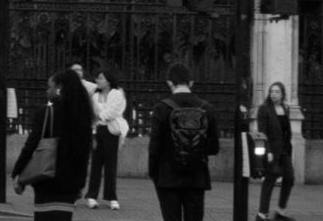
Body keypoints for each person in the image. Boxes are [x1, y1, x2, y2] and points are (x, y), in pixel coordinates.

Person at [13, 64, 94, 215]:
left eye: (49, 87)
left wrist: (18, 173)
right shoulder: (82, 117)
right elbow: (84, 154)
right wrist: (80, 184)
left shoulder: (45, 113)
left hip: (46, 179)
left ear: (59, 88)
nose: (47, 91)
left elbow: (30, 145)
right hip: (70, 183)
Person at [146, 62, 221, 221]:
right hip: (196, 177)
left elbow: (154, 147)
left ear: (169, 83)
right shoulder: (206, 108)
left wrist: (154, 173)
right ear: (191, 82)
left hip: (167, 176)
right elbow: (214, 147)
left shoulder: (161, 108)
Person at [83, 63, 128, 208]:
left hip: (111, 131)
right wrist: (98, 119)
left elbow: (114, 111)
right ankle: (91, 196)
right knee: (96, 164)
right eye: (97, 78)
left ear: (108, 80)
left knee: (111, 164)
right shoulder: (95, 96)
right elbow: (92, 113)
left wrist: (100, 115)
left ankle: (111, 197)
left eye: (101, 78)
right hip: (97, 131)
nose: (98, 81)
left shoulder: (117, 94)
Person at [254, 79, 292, 216]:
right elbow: (262, 131)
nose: (273, 94)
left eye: (277, 92)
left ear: (282, 94)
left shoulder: (285, 108)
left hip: (284, 151)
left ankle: (280, 211)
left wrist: (288, 150)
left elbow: (286, 132)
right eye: (272, 91)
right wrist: (267, 151)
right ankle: (262, 214)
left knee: (290, 178)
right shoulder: (264, 109)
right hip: (271, 151)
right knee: (269, 181)